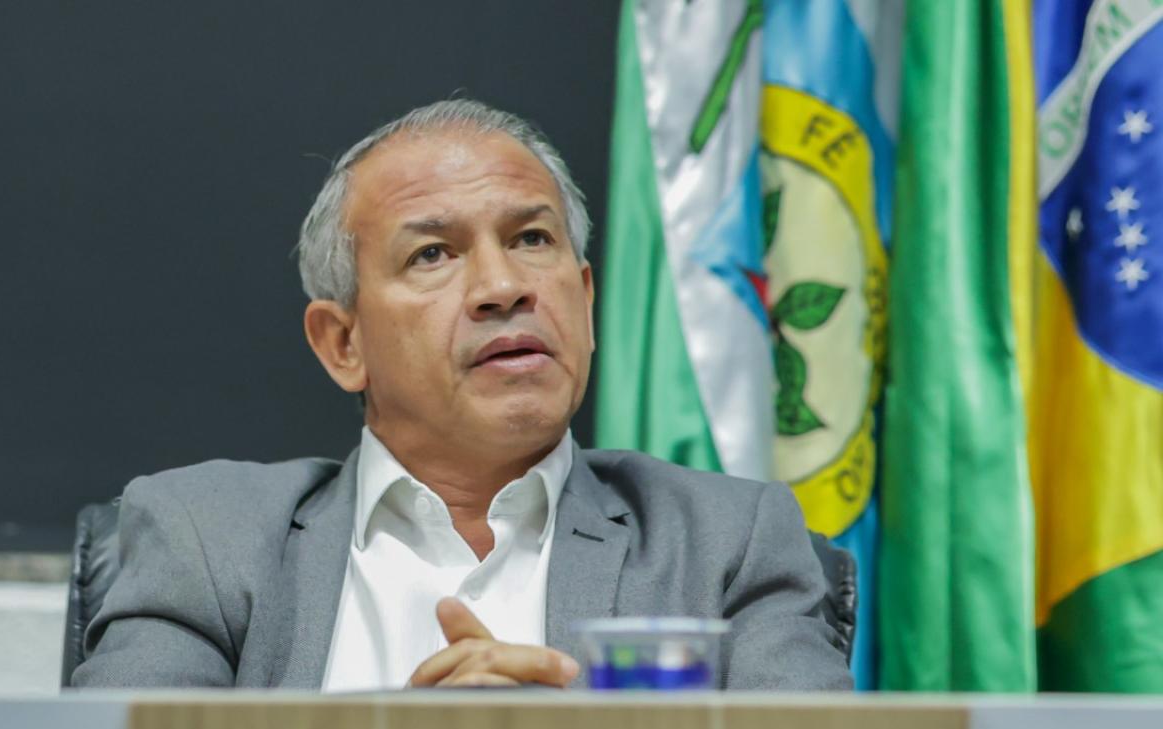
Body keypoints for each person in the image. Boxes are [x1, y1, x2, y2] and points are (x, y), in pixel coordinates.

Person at [72, 99, 852, 691]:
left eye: (531, 239)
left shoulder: (728, 546)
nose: (503, 287)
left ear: (585, 303)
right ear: (343, 343)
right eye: (433, 254)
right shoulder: (206, 540)